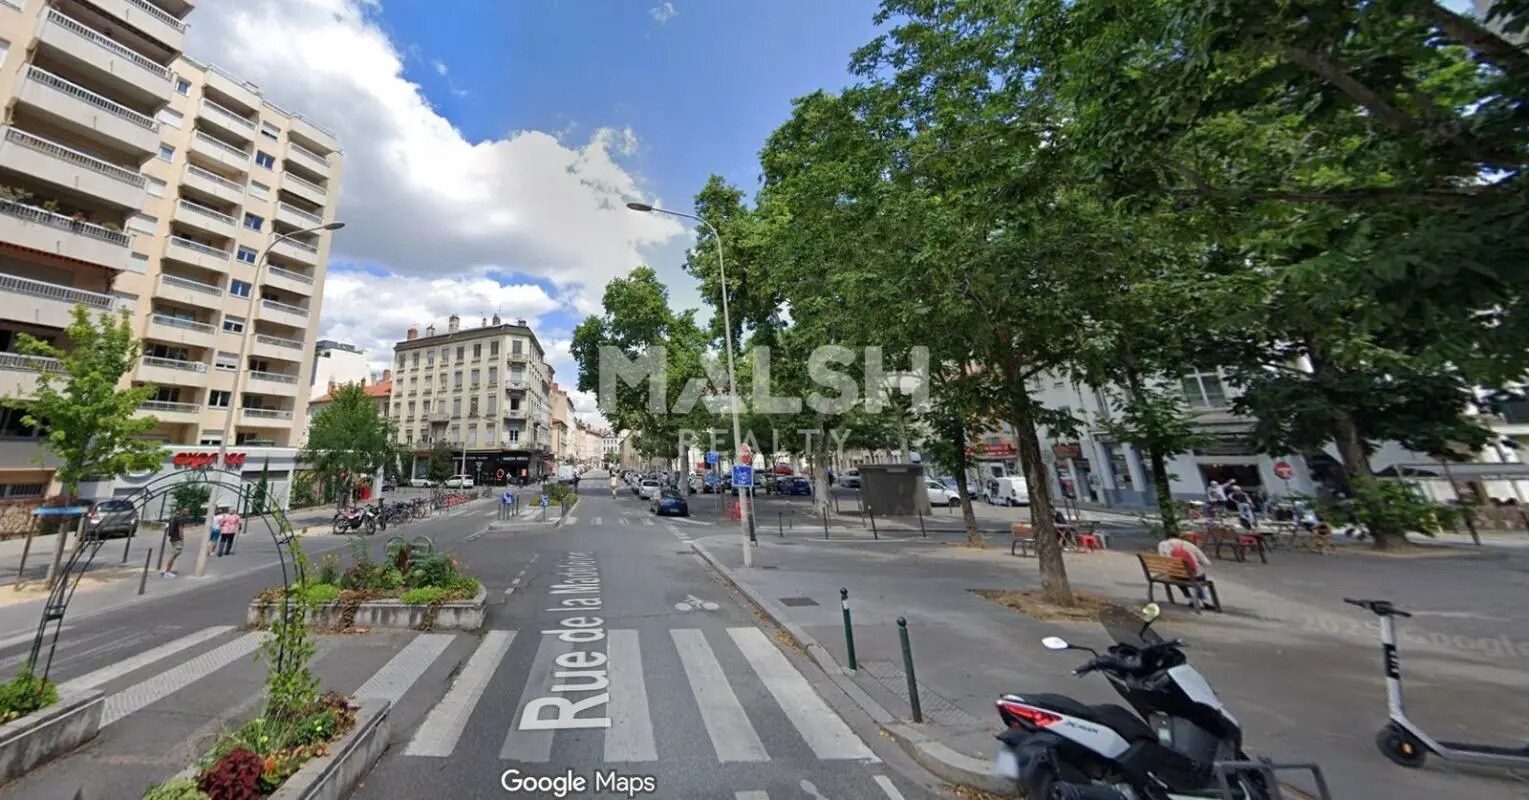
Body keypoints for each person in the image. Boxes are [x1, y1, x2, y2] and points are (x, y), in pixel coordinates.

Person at [1157, 531, 1212, 604]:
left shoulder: (1162, 544)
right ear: (1178, 537)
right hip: (1191, 577)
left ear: (1167, 538)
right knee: (1200, 576)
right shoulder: (1189, 545)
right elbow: (1207, 563)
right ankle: (1204, 601)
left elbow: (1164, 560)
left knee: (1177, 573)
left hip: (1175, 575)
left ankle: (1189, 597)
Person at [161, 509, 185, 578]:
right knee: (174, 554)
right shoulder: (180, 519)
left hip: (172, 538)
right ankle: (167, 572)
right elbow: (180, 529)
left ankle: (167, 570)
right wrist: (182, 537)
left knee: (175, 554)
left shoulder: (171, 517)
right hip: (177, 538)